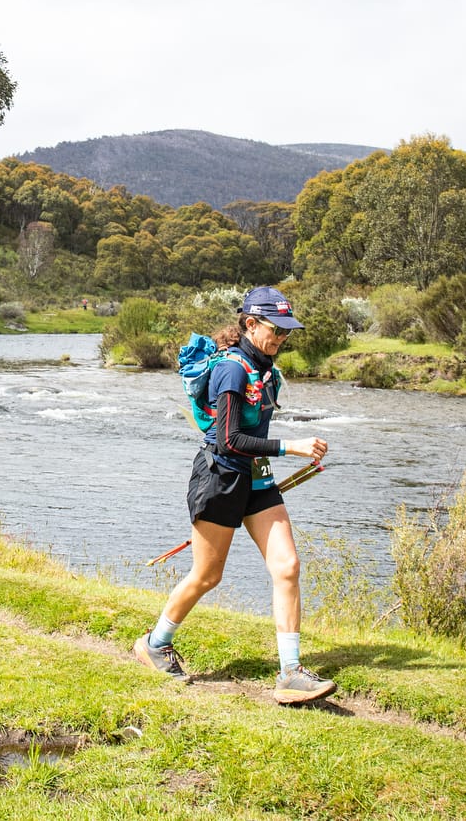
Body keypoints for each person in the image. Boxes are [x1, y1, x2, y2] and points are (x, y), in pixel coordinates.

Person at [134, 285, 337, 705]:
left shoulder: (266, 369)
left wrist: (280, 452)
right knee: (208, 576)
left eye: (287, 331)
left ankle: (291, 673)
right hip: (220, 479)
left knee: (288, 567)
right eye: (275, 329)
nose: (282, 338)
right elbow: (228, 440)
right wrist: (290, 446)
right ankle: (154, 643)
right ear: (250, 324)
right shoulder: (231, 369)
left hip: (257, 481)